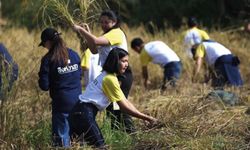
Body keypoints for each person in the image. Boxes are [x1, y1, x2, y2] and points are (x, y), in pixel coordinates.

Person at [69, 47, 158, 148]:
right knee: (101, 147)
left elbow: (125, 101)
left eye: (127, 61)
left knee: (81, 146)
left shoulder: (108, 76)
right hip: (83, 114)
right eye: (123, 61)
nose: (126, 64)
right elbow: (124, 107)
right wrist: (147, 118)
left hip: (78, 112)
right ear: (115, 61)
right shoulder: (109, 79)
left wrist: (144, 117)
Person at [73, 10, 135, 133]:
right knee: (112, 107)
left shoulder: (116, 33)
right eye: (101, 22)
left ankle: (130, 132)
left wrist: (81, 30)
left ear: (114, 22)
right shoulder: (106, 35)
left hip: (121, 75)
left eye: (106, 22)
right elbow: (94, 49)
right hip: (113, 75)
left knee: (119, 105)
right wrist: (87, 33)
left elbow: (95, 41)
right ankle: (117, 132)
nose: (103, 24)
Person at [38, 27, 82, 147]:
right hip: (79, 101)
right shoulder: (74, 54)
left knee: (61, 140)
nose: (45, 47)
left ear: (48, 42)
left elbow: (44, 86)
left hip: (61, 103)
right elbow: (79, 76)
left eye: (44, 45)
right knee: (77, 139)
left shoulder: (48, 59)